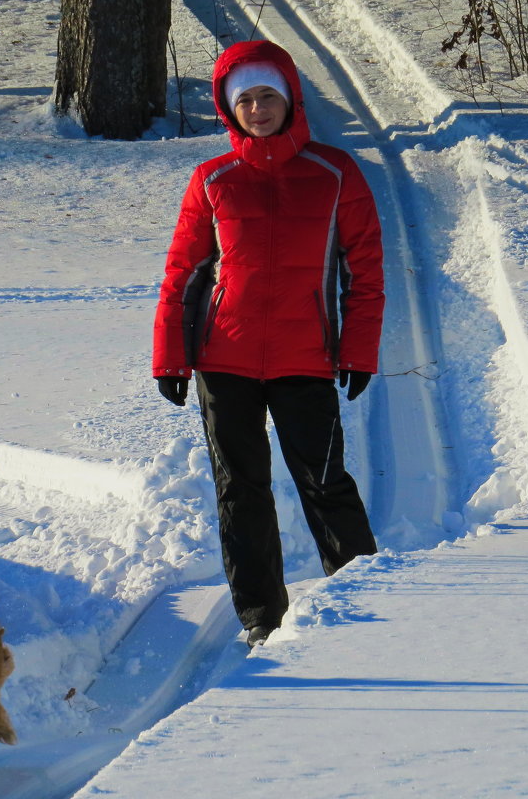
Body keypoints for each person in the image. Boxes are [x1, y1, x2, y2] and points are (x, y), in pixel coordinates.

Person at [151, 39, 385, 649]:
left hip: (305, 357)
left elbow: (366, 268)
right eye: (246, 99)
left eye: (268, 96)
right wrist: (171, 356)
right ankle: (261, 617)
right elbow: (183, 272)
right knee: (241, 489)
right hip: (222, 359)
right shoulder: (212, 179)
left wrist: (359, 350)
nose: (258, 109)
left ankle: (365, 594)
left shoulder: (336, 173)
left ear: (289, 98)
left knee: (326, 479)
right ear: (232, 109)